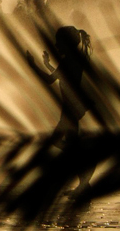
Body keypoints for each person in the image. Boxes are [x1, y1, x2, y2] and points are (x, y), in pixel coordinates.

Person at [34, 26, 93, 189]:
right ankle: (84, 182)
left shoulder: (69, 61)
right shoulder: (72, 60)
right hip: (70, 109)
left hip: (70, 110)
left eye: (58, 41)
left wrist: (33, 65)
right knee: (66, 143)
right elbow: (58, 76)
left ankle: (85, 165)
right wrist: (47, 64)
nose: (56, 44)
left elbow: (50, 80)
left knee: (60, 142)